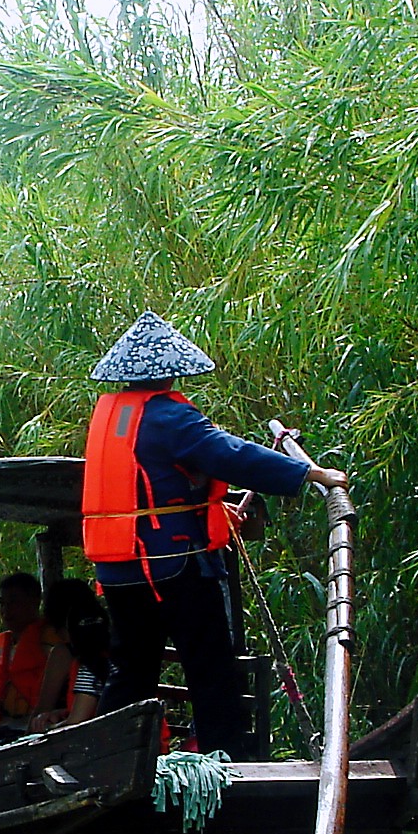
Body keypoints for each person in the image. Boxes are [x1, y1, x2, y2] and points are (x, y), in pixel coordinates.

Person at [80, 309, 348, 758]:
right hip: (168, 563)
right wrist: (309, 474)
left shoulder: (112, 414)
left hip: (119, 565)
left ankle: (108, 757)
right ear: (168, 373)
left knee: (131, 667)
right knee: (210, 664)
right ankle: (230, 762)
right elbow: (229, 454)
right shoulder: (167, 415)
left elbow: (152, 482)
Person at [0, 572, 60, 727]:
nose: (6, 610)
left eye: (14, 602)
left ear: (34, 602)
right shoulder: (4, 646)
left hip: (35, 725)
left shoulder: (51, 640)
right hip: (3, 725)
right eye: (2, 603)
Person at [32, 604, 118, 733]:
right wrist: (62, 713)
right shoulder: (121, 661)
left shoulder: (90, 669)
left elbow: (76, 723)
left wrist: (46, 729)